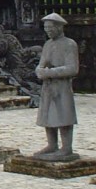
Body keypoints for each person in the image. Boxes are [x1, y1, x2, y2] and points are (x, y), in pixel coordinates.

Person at [33, 13, 78, 160]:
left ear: (59, 27)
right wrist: (39, 71)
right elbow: (41, 63)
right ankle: (52, 144)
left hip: (62, 86)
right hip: (48, 86)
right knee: (48, 115)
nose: (48, 31)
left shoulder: (69, 44)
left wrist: (50, 72)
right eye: (46, 28)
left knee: (63, 115)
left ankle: (66, 147)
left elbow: (72, 68)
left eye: (51, 28)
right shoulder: (48, 44)